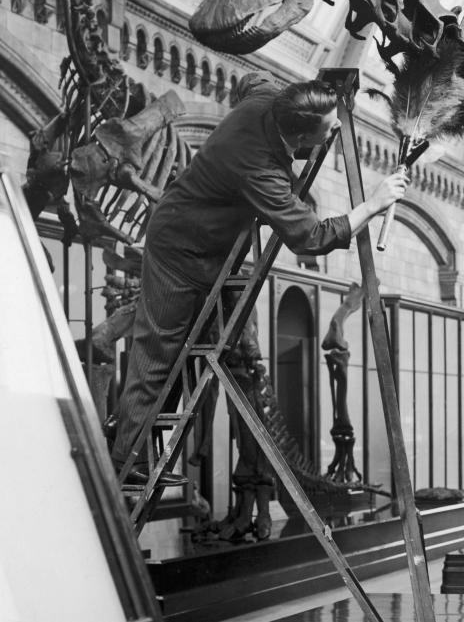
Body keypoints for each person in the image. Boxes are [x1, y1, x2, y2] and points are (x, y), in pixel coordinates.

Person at [111, 74, 408, 484]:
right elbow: (311, 237)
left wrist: (321, 96)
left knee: (184, 356)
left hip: (211, 251)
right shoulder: (259, 167)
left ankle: (142, 445)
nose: (337, 126)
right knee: (159, 350)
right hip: (179, 248)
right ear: (301, 134)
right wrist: (374, 204)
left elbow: (250, 80)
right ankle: (130, 459)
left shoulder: (269, 97)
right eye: (328, 126)